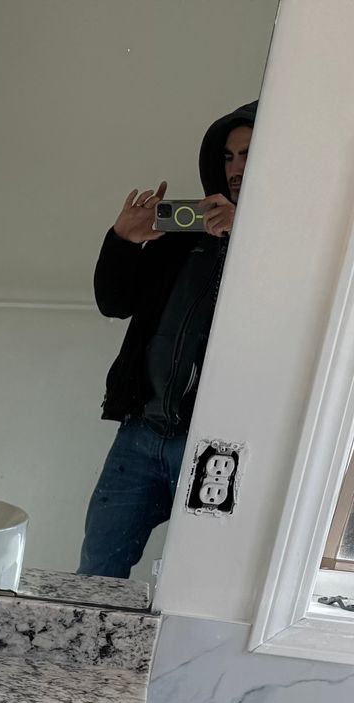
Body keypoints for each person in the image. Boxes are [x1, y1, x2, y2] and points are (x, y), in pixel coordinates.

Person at [78, 102, 256, 577]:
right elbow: (114, 302)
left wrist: (249, 234)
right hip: (141, 432)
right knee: (97, 569)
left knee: (197, 579)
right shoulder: (183, 233)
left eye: (247, 154)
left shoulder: (287, 243)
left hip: (217, 447)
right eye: (228, 157)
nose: (235, 168)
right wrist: (122, 240)